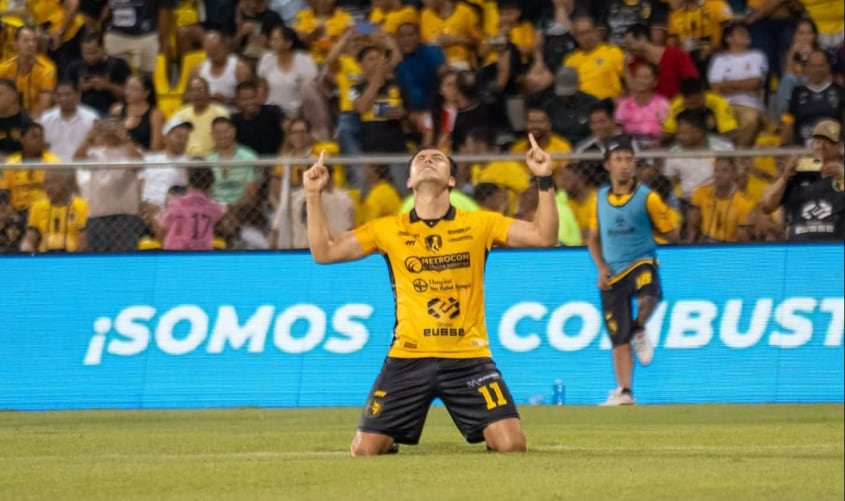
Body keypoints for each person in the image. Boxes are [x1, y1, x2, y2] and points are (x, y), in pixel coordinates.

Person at [303, 134, 559, 455]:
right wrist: (313, 195)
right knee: (364, 451)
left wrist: (544, 178)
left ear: (451, 180)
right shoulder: (387, 229)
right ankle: (389, 434)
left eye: (437, 158)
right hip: (408, 357)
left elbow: (544, 236)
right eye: (420, 159)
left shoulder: (480, 224)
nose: (427, 160)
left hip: (468, 357)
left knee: (512, 445)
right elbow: (324, 252)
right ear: (409, 181)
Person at [586, 136, 679, 406]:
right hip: (613, 271)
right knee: (618, 335)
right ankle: (625, 391)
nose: (624, 165)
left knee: (648, 297)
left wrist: (663, 230)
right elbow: (593, 237)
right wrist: (601, 268)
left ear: (635, 164)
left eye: (628, 159)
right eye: (618, 160)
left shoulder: (647, 198)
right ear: (607, 165)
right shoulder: (600, 198)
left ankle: (640, 327)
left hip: (641, 261)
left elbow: (673, 233)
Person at [760, 119, 845, 241]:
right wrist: (784, 177)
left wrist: (841, 176)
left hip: (834, 248)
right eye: (818, 141)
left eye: (829, 141)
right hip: (798, 248)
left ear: (840, 146)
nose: (822, 146)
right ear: (811, 144)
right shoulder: (797, 172)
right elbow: (766, 206)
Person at [156, 167, 227, 250]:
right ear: (210, 186)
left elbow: (163, 223)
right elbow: (222, 212)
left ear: (189, 182)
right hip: (203, 249)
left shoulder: (177, 203)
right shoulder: (212, 207)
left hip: (176, 250)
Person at [20, 170, 88, 253]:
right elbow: (30, 237)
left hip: (71, 256)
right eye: (46, 183)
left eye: (52, 182)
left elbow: (83, 241)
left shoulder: (81, 207)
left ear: (65, 183)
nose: (47, 187)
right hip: (44, 257)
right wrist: (27, 247)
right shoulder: (37, 207)